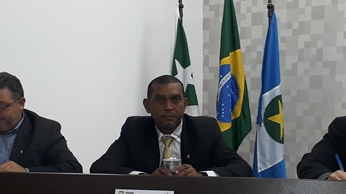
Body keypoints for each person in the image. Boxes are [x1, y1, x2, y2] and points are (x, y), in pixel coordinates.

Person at [90, 75, 251, 177]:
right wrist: (144, 178)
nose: (168, 107)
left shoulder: (205, 129)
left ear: (185, 104)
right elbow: (100, 167)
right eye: (160, 100)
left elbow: (242, 168)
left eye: (175, 100)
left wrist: (201, 176)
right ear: (147, 105)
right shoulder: (134, 129)